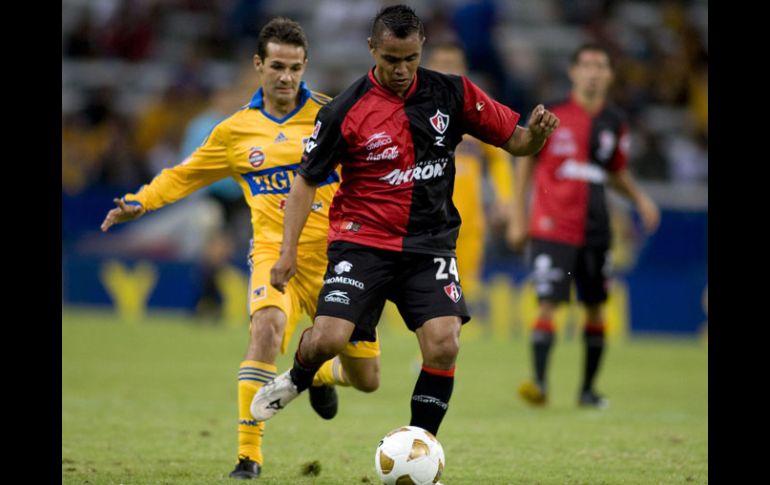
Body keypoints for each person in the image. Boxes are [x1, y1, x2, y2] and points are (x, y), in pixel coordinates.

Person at [251, 5, 558, 440]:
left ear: (422, 49)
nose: (401, 69)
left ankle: (419, 444)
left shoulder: (453, 94)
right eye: (391, 59)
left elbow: (518, 142)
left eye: (410, 58)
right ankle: (299, 377)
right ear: (372, 48)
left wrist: (538, 136)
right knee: (330, 339)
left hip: (428, 245)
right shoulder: (345, 109)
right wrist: (287, 253)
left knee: (444, 342)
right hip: (362, 243)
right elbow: (305, 181)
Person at [99, 17, 381, 480]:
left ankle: (314, 375)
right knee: (265, 331)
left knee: (366, 380)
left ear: (305, 65)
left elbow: (374, 165)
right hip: (273, 253)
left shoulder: (333, 116)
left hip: (340, 257)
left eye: (294, 67)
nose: (286, 77)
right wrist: (140, 201)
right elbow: (185, 174)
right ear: (258, 65)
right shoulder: (235, 132)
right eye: (276, 66)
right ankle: (248, 458)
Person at [506, 43, 660, 409]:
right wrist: (518, 214)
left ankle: (588, 391)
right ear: (573, 72)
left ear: (608, 75)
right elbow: (525, 159)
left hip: (596, 227)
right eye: (587, 65)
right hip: (552, 224)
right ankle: (539, 383)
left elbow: (615, 171)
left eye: (600, 65)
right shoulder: (553, 113)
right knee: (548, 302)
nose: (593, 72)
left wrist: (640, 199)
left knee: (595, 307)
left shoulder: (614, 122)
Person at [425, 41, 515, 316]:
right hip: (424, 220)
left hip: (468, 221)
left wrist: (505, 197)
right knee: (424, 293)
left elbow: (500, 155)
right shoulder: (416, 109)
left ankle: (434, 358)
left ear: (463, 69)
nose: (448, 70)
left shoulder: (476, 111)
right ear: (429, 67)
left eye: (454, 64)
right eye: (442, 63)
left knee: (461, 295)